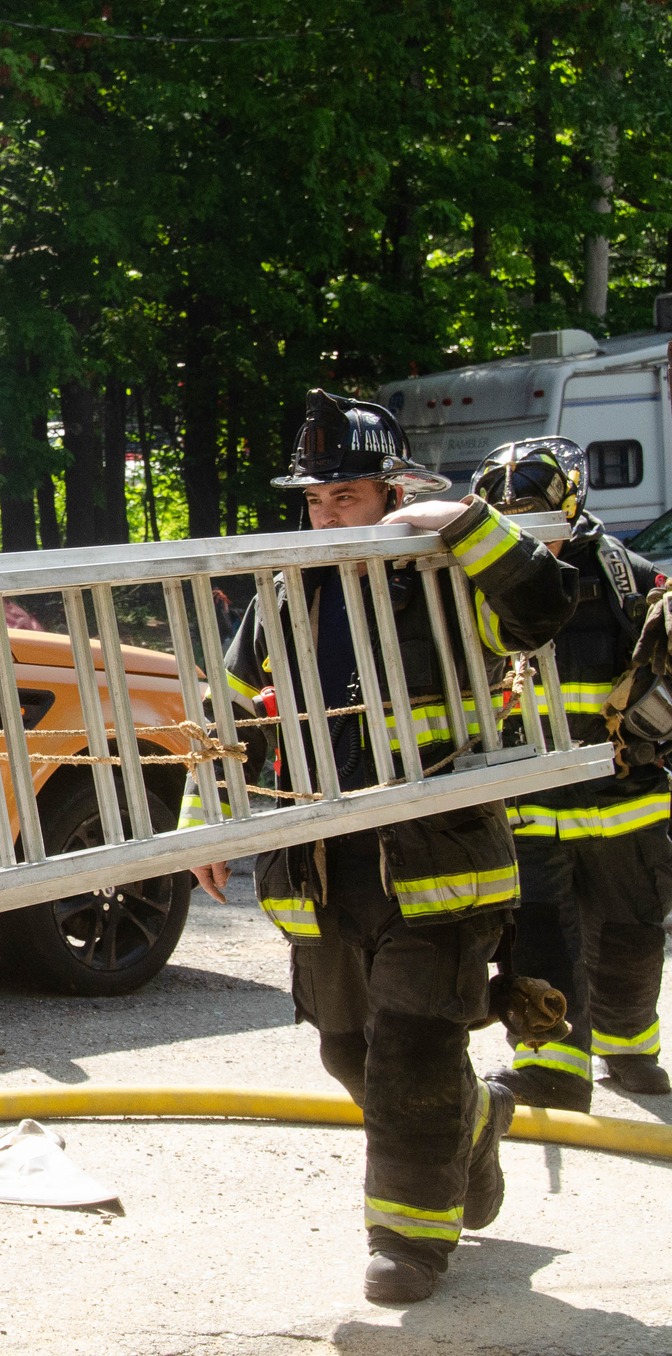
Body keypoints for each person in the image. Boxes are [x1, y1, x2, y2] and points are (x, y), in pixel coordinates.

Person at [183, 390, 575, 1305]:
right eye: (316, 501)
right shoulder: (286, 591)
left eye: (347, 497)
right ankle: (477, 1124)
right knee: (347, 1054)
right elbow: (228, 712)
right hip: (322, 868)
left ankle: (409, 1242)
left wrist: (465, 523)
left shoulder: (446, 578)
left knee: (413, 1055)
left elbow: (546, 605)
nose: (328, 516)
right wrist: (206, 814)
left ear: (394, 494)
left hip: (437, 861)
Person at [472, 438, 671, 1108]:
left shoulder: (627, 580)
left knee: (631, 937)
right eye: (508, 522)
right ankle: (551, 1066)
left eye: (536, 517)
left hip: (626, 802)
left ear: (571, 508)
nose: (526, 536)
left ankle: (630, 1047)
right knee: (537, 940)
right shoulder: (476, 586)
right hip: (529, 808)